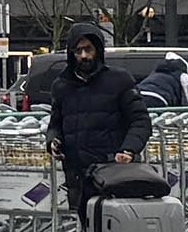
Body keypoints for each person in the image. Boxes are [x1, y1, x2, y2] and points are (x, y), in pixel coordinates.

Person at [40, 22, 151, 220]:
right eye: (78, 50)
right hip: (77, 175)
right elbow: (55, 123)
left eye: (88, 49)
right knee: (87, 229)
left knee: (114, 229)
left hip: (113, 171)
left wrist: (128, 149)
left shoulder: (119, 80)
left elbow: (140, 120)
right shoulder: (61, 85)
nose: (84, 56)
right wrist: (53, 141)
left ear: (98, 50)